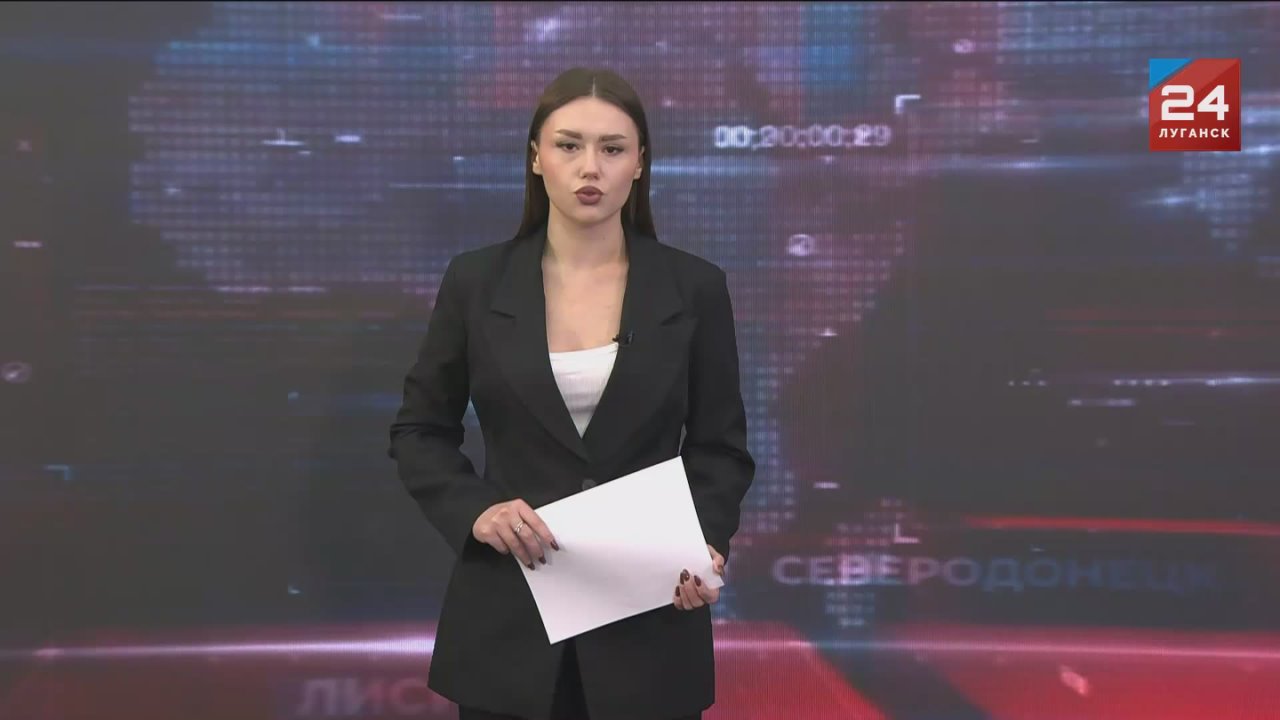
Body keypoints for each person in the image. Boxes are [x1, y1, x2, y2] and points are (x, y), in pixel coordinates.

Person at [387, 67, 755, 720]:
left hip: (648, 619)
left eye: (612, 148)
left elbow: (719, 447)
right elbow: (420, 431)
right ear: (536, 158)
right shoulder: (475, 281)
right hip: (510, 625)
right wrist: (477, 510)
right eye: (568, 145)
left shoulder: (695, 287)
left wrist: (701, 543)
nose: (591, 167)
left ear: (639, 163)